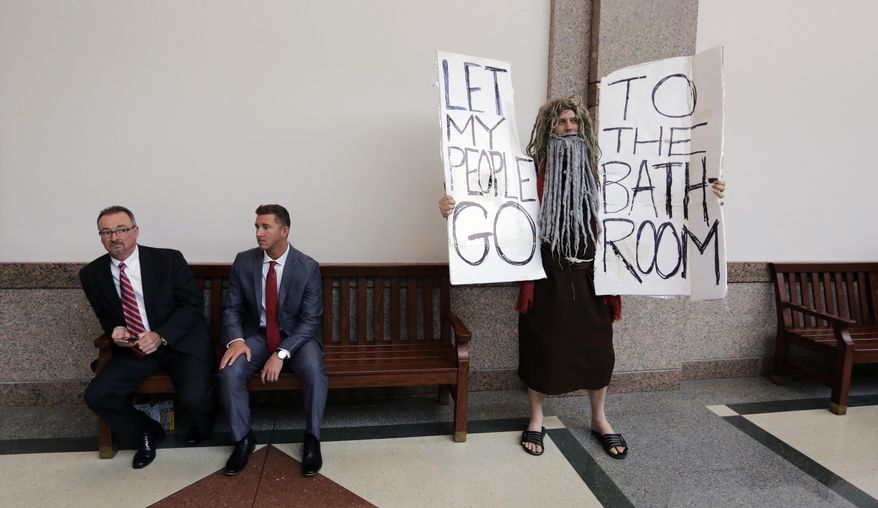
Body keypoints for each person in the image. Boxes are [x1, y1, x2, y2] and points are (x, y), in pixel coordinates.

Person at [439, 97, 726, 459]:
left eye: (574, 120)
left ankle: (599, 417)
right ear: (548, 129)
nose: (569, 126)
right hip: (544, 275)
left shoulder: (606, 172)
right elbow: (488, 201)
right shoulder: (526, 172)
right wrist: (453, 206)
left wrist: (705, 192)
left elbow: (653, 196)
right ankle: (536, 417)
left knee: (598, 350)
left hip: (592, 276)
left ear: (584, 127)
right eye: (560, 122)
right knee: (541, 346)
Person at [80, 205, 216, 469]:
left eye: (121, 230)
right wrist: (115, 329)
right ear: (100, 237)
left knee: (195, 397)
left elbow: (191, 305)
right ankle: (146, 431)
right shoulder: (91, 274)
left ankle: (206, 423)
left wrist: (160, 335)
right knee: (96, 396)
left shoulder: (168, 260)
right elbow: (104, 313)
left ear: (136, 231)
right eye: (106, 232)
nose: (114, 237)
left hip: (179, 342)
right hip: (135, 349)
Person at [218, 204, 326, 477]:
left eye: (265, 227)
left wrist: (280, 354)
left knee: (314, 371)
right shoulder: (244, 261)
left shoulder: (307, 266)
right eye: (256, 226)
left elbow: (311, 321)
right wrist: (237, 341)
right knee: (229, 372)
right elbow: (231, 308)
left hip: (297, 338)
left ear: (284, 231)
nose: (259, 233)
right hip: (257, 335)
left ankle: (312, 439)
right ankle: (243, 439)